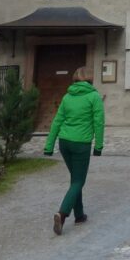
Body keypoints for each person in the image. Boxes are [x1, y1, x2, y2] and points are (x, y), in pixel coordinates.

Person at [43, 66, 105, 236]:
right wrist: (98, 146)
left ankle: (79, 216)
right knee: (78, 181)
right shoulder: (94, 97)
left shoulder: (67, 97)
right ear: (90, 79)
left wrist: (49, 146)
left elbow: (57, 121)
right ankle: (62, 214)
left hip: (64, 143)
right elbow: (98, 123)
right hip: (81, 144)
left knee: (75, 179)